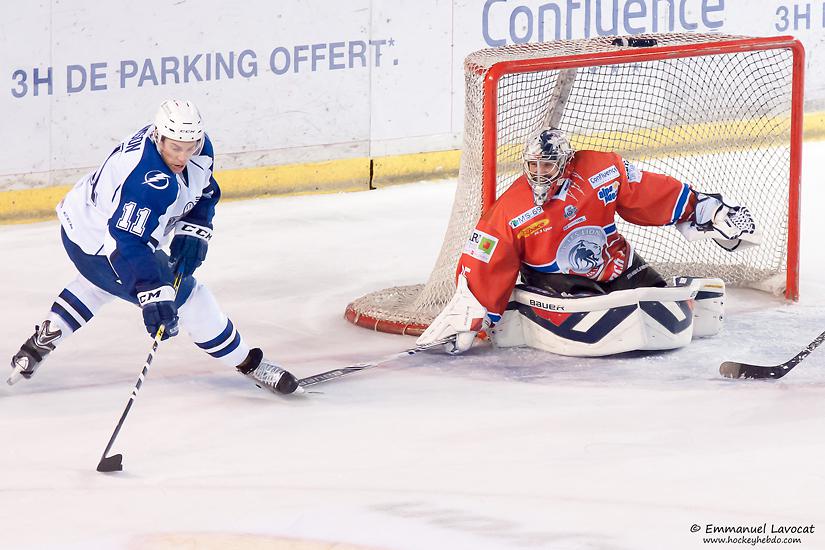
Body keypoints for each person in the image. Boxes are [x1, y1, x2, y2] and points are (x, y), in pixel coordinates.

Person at [8, 99, 299, 395]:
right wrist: (153, 292)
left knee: (101, 284)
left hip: (84, 221)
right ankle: (249, 363)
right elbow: (126, 243)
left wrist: (195, 228)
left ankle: (45, 338)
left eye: (190, 147)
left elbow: (205, 190)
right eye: (175, 148)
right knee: (189, 298)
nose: (183, 156)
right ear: (158, 137)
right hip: (98, 242)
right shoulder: (148, 181)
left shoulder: (199, 147)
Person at [417, 127, 759, 356]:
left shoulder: (603, 168)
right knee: (599, 309)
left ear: (566, 162)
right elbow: (485, 257)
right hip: (558, 278)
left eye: (547, 165)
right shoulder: (510, 209)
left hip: (617, 263)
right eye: (533, 165)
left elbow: (648, 192)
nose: (539, 173)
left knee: (658, 295)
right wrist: (472, 311)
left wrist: (704, 209)